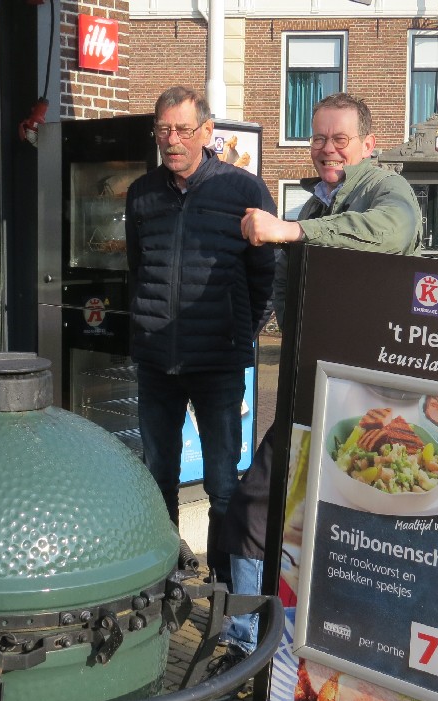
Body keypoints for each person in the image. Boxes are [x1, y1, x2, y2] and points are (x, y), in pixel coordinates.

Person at [203, 93, 423, 701]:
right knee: (254, 507)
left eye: (341, 139)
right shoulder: (312, 203)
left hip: (368, 402)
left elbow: (395, 232)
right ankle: (247, 646)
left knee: (349, 527)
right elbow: (281, 287)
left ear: (369, 145)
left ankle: (350, 657)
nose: (328, 148)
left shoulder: (385, 192)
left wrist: (290, 230)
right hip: (310, 387)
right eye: (319, 138)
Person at [124, 86, 276, 588]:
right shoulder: (142, 193)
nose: (172, 140)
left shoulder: (244, 191)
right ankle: (165, 582)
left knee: (222, 484)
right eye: (163, 130)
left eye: (183, 130)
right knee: (156, 477)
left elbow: (264, 277)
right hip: (156, 362)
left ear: (208, 131)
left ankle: (225, 594)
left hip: (218, 364)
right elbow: (137, 268)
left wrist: (239, 333)